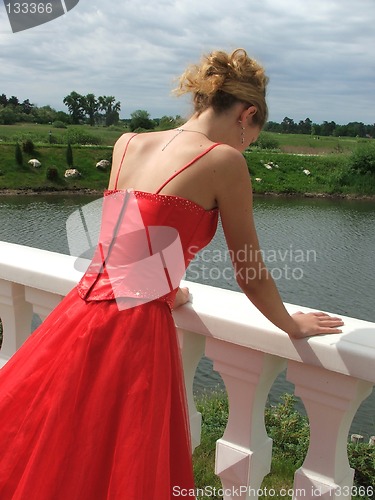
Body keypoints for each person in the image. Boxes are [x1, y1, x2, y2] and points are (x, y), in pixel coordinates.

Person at [0, 48, 343, 500]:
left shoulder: (128, 142)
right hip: (134, 335)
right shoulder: (224, 161)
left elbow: (118, 246)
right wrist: (291, 323)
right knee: (120, 469)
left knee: (55, 451)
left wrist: (166, 288)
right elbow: (249, 270)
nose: (246, 146)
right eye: (252, 136)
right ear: (249, 114)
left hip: (76, 319)